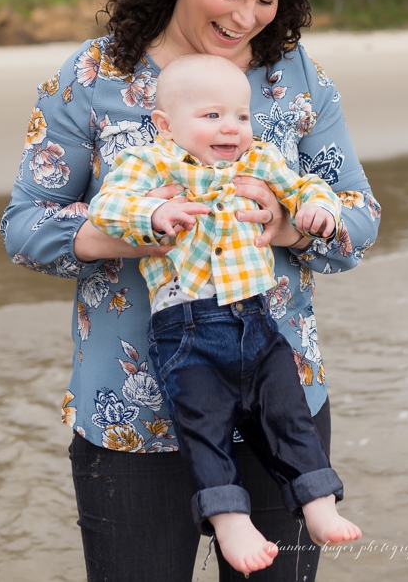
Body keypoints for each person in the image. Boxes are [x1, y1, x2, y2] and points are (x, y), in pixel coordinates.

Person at [1, 0, 379, 582]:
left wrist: (285, 223)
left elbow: (361, 216)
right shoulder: (92, 76)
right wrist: (135, 230)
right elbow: (23, 226)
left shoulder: (295, 78)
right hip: (130, 413)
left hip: (279, 396)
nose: (246, 17)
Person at [89, 53, 360, 573]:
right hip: (185, 328)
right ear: (166, 124)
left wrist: (315, 210)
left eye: (240, 115)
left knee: (287, 411)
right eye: (212, 116)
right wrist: (152, 211)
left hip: (257, 321)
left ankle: (318, 501)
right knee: (202, 424)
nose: (231, 128)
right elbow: (108, 205)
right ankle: (229, 518)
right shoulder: (151, 163)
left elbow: (307, 185)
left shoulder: (258, 161)